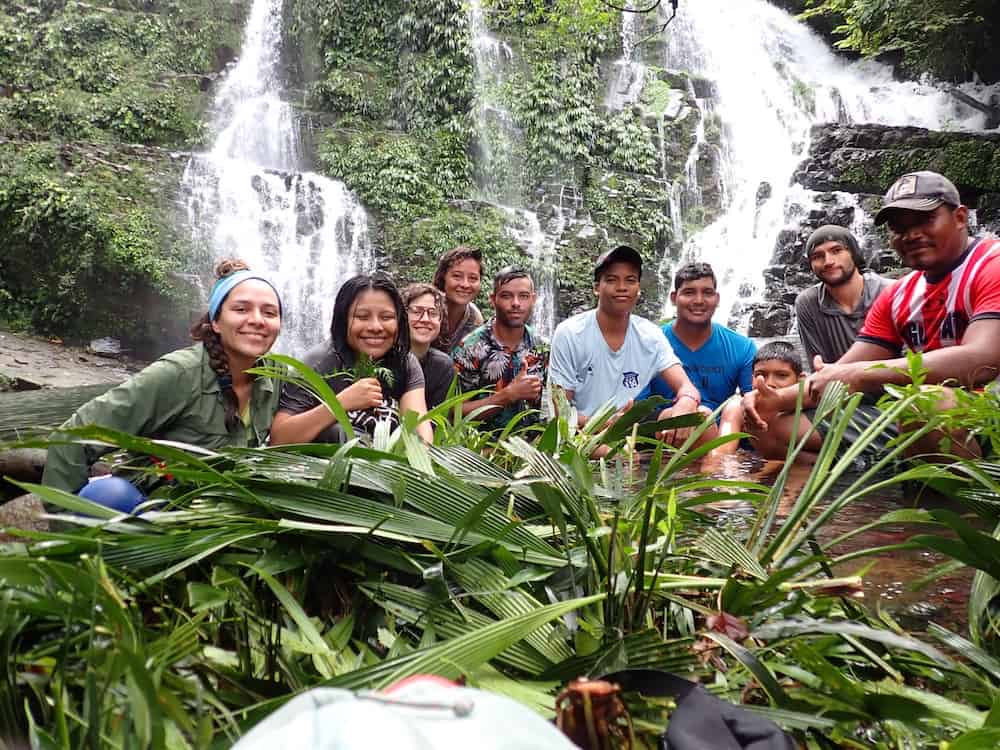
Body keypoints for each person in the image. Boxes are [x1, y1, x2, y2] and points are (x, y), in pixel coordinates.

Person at [745, 171, 1000, 458]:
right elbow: (839, 373)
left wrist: (859, 375)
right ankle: (860, 489)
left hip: (985, 411)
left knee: (926, 405)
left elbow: (984, 359)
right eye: (898, 227)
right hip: (913, 411)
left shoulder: (991, 265)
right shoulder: (898, 295)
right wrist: (774, 400)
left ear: (961, 218)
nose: (911, 234)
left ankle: (955, 500)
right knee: (767, 426)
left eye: (925, 219)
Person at [43, 259, 283, 495]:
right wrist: (68, 520)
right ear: (216, 322)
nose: (257, 320)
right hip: (155, 507)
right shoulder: (177, 374)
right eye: (241, 309)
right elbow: (71, 438)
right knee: (111, 494)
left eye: (270, 313)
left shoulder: (281, 376)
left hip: (225, 508)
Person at [549, 245, 702, 434]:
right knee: (608, 453)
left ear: (638, 288)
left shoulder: (650, 335)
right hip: (582, 431)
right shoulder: (570, 333)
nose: (622, 288)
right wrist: (605, 424)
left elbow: (686, 387)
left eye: (630, 280)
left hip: (630, 429)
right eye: (612, 280)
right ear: (597, 288)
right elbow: (561, 415)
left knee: (702, 420)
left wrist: (686, 403)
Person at [271, 273, 433, 444]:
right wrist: (339, 404)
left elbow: (421, 435)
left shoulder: (405, 361)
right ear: (343, 320)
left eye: (386, 317)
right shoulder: (318, 363)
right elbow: (279, 439)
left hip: (386, 467)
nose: (376, 327)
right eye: (362, 317)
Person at [640, 262, 755, 453]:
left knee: (704, 415)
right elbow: (638, 409)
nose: (699, 300)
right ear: (674, 298)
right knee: (700, 416)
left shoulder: (742, 347)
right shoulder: (649, 344)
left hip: (720, 438)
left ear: (717, 298)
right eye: (689, 292)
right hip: (661, 435)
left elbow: (752, 403)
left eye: (707, 293)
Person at [452, 267, 548, 430]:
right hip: (480, 449)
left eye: (523, 296)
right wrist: (508, 395)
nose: (516, 303)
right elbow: (453, 412)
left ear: (533, 299)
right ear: (493, 299)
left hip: (533, 449)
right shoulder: (470, 349)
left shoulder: (542, 347)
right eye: (506, 296)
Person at [794, 225, 891, 368]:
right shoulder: (808, 303)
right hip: (837, 388)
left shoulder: (891, 292)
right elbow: (819, 368)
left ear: (853, 252)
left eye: (836, 250)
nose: (828, 261)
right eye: (817, 256)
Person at [741, 342, 819, 461]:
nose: (769, 383)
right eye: (760, 375)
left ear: (801, 380)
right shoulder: (739, 409)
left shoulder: (812, 418)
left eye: (781, 375)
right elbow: (721, 455)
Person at [401, 283, 455, 410]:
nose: (425, 319)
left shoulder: (442, 367)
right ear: (401, 315)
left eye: (433, 313)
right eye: (416, 311)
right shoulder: (383, 359)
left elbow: (436, 421)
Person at [433, 245, 485, 352]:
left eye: (473, 278)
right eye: (457, 276)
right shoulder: (425, 308)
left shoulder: (475, 318)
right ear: (443, 277)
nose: (465, 284)